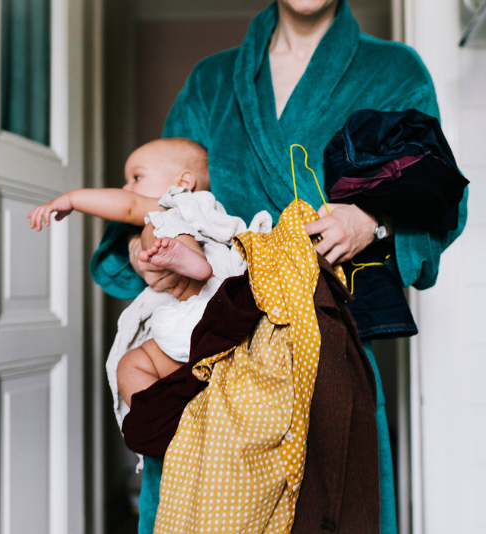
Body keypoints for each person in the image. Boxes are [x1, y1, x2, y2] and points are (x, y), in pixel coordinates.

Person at [90, 1, 468, 533]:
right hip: (206, 348)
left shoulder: (393, 71)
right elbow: (154, 198)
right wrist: (142, 250)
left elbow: (438, 199)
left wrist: (371, 219)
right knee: (198, 511)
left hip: (324, 344)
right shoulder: (212, 81)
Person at [28, 137, 268, 410]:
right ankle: (160, 418)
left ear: (184, 182)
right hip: (189, 326)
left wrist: (72, 199)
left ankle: (191, 258)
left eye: (137, 177)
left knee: (156, 225)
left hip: (212, 293)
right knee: (129, 364)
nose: (127, 187)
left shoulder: (181, 204)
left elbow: (128, 205)